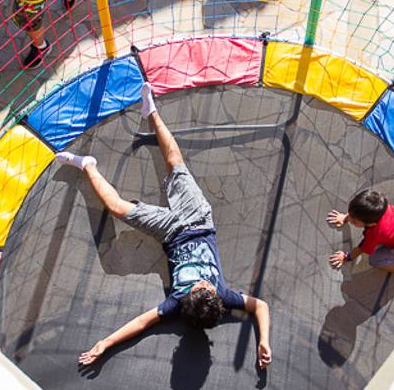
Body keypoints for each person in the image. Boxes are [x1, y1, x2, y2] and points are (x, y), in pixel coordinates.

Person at [55, 83, 272, 369]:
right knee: (175, 163)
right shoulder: (222, 295)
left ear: (189, 300)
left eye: (199, 290)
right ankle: (152, 112)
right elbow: (260, 306)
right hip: (199, 219)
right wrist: (263, 340)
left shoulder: (177, 302)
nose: (205, 285)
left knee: (117, 207)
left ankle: (88, 166)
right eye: (209, 289)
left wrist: (105, 343)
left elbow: (142, 322)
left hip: (170, 232)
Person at [327, 189, 394, 286]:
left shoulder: (375, 233)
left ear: (371, 224)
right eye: (350, 215)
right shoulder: (381, 206)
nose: (350, 220)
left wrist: (347, 257)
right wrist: (345, 217)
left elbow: (362, 248)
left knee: (376, 260)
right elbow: (359, 211)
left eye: (354, 221)